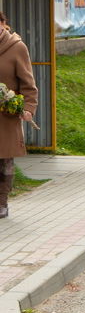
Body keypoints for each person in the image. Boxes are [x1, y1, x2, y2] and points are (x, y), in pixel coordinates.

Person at [0, 11, 38, 219]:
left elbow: (29, 85)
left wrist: (28, 108)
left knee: (4, 163)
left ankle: (2, 203)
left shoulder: (17, 48)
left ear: (4, 23)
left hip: (5, 117)